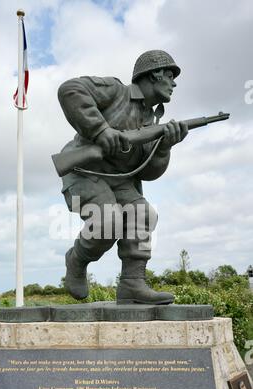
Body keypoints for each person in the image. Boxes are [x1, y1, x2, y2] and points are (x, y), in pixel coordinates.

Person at [57, 50, 189, 304]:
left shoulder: (153, 121)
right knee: (108, 220)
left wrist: (164, 147)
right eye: (170, 75)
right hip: (83, 173)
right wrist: (100, 130)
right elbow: (70, 90)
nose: (174, 83)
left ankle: (132, 283)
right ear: (153, 75)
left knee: (144, 213)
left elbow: (149, 173)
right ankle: (76, 260)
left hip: (120, 181)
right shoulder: (116, 91)